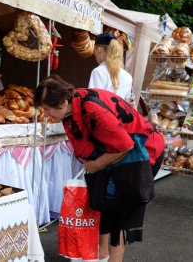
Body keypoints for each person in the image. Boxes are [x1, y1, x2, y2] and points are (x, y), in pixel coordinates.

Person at [34, 75, 165, 262]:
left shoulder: (92, 109)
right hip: (115, 156)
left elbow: (125, 145)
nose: (46, 115)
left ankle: (113, 258)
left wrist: (96, 164)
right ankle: (100, 255)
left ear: (63, 102)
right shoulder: (72, 107)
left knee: (120, 218)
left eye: (47, 110)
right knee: (103, 206)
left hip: (142, 153)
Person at [89, 33, 133, 102]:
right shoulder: (128, 76)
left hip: (103, 112)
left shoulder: (98, 72)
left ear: (98, 49)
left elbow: (93, 101)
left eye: (94, 50)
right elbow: (127, 103)